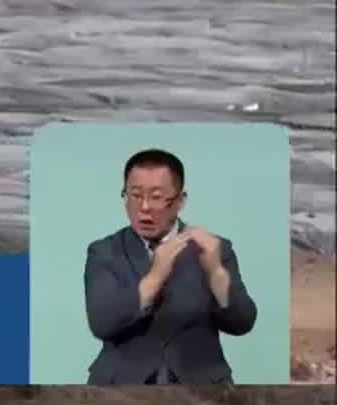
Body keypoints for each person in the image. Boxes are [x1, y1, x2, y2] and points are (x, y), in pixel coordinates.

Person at [82, 147, 258, 384]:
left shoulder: (213, 248)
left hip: (202, 387)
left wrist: (216, 272)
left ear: (180, 201)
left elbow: (242, 323)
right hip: (121, 387)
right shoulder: (104, 251)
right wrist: (155, 276)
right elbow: (102, 323)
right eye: (135, 195)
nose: (144, 207)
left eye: (156, 197)